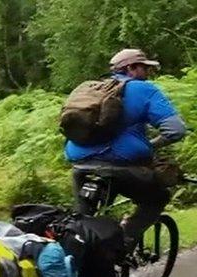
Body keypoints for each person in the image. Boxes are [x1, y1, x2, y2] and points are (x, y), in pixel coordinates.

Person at [66, 48, 187, 246]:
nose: (147, 73)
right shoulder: (144, 89)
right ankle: (126, 239)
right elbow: (176, 130)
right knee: (157, 198)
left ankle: (78, 255)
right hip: (123, 168)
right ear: (130, 68)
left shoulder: (89, 90)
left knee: (81, 221)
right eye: (144, 68)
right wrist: (151, 144)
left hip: (81, 165)